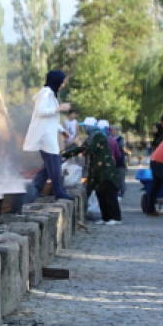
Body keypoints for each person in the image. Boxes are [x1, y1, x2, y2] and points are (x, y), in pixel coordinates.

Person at [22, 70, 73, 200]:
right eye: (62, 81)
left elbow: (51, 119)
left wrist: (61, 130)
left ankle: (36, 188)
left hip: (48, 134)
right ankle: (58, 191)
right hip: (44, 136)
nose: (63, 85)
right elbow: (41, 111)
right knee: (55, 162)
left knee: (50, 164)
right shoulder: (45, 93)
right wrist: (59, 108)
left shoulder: (50, 94)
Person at [63, 122, 122, 224]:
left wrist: (76, 146)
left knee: (109, 195)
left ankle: (115, 218)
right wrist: (65, 154)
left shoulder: (98, 135)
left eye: (85, 126)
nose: (84, 129)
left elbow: (89, 149)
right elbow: (82, 148)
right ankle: (106, 218)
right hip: (97, 172)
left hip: (105, 171)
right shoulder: (91, 137)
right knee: (100, 194)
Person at [110, 125, 128, 197]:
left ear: (117, 131)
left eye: (114, 130)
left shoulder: (120, 138)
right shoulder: (109, 138)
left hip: (119, 160)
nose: (113, 132)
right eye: (112, 130)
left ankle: (122, 190)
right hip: (112, 160)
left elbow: (121, 147)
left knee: (121, 176)